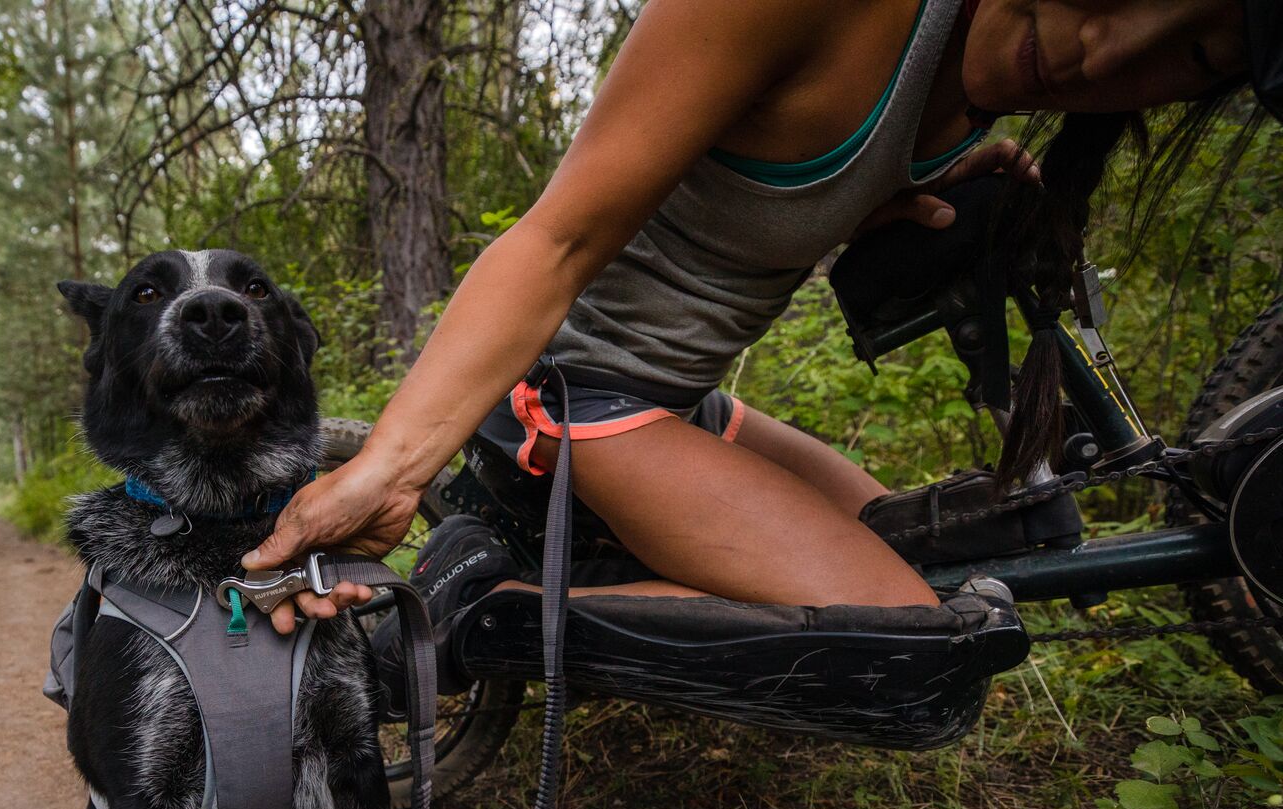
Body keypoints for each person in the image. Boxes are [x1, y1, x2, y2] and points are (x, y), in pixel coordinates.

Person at [244, 0, 1277, 666]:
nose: (1110, 45)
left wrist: (892, 196)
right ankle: (470, 614)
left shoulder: (973, 94)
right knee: (915, 632)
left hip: (687, 408)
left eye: (1188, 52)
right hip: (565, 403)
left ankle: (599, 566)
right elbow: (554, 240)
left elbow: (754, 200)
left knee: (916, 548)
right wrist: (390, 466)